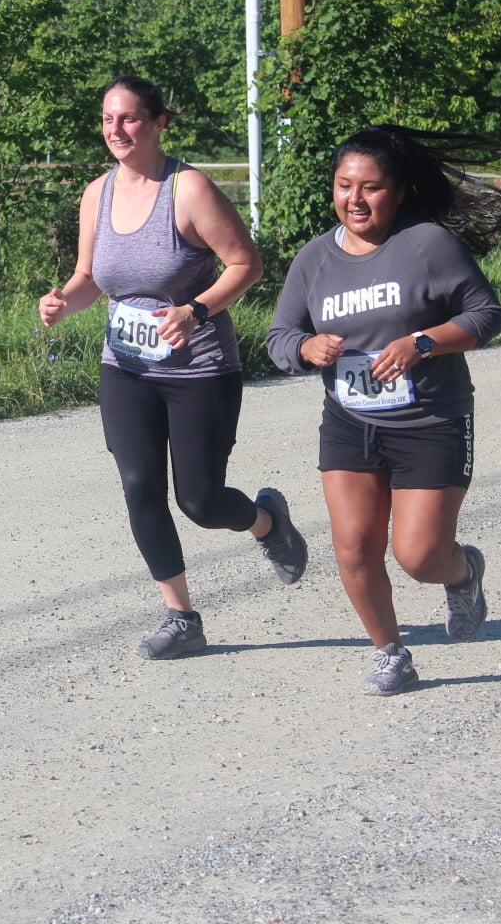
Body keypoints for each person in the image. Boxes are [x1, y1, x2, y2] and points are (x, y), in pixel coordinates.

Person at [40, 75, 307, 660]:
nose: (116, 130)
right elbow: (90, 280)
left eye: (130, 119)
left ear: (159, 123)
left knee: (201, 502)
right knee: (139, 487)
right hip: (127, 367)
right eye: (108, 119)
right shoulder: (96, 194)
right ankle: (181, 616)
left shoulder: (188, 190)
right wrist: (64, 300)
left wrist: (195, 309)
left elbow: (246, 264)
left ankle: (268, 523)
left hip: (200, 372)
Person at [265, 124, 501, 695]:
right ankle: (391, 652)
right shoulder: (314, 261)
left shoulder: (428, 244)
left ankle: (463, 572)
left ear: (398, 191)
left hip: (431, 418)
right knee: (352, 546)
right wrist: (305, 348)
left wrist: (422, 343)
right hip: (350, 421)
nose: (355, 199)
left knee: (420, 557)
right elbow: (280, 335)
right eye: (343, 185)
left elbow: (485, 314)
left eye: (371, 187)